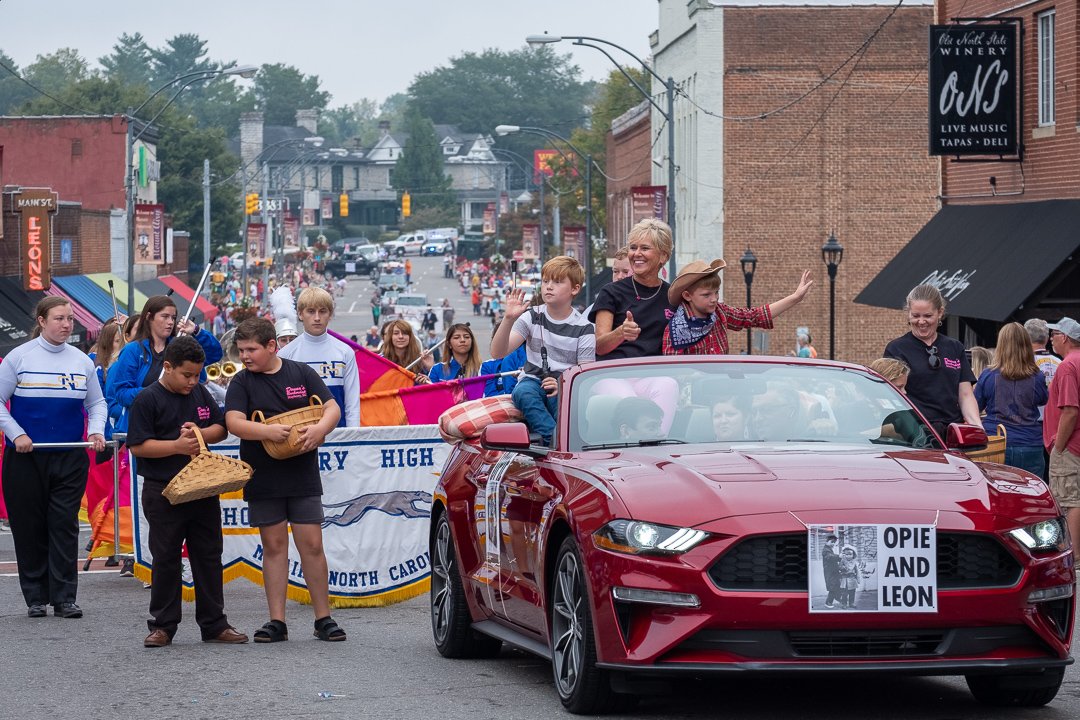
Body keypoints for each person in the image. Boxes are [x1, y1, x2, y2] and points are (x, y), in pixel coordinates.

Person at [224, 318, 346, 643]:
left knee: (313, 545)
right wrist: (266, 431)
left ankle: (324, 618)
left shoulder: (301, 373)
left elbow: (332, 407)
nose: (245, 356)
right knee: (274, 546)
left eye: (252, 349)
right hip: (263, 476)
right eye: (241, 350)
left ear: (272, 346)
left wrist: (321, 429)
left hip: (302, 473)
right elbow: (233, 423)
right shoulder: (241, 382)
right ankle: (276, 620)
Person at [126, 336, 248, 647]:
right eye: (187, 375)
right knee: (166, 557)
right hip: (163, 490)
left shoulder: (201, 392)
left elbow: (221, 427)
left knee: (208, 555)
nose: (193, 381)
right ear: (167, 367)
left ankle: (214, 624)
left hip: (203, 487)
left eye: (197, 375)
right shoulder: (147, 399)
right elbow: (139, 446)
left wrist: (200, 433)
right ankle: (163, 625)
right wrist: (177, 446)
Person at [0, 297, 107, 619]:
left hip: (69, 455)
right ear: (42, 320)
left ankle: (64, 597)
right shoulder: (19, 357)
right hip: (26, 457)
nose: (66, 324)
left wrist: (96, 431)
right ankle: (35, 596)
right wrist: (17, 434)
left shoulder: (81, 361)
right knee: (29, 526)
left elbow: (96, 404)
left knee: (64, 524)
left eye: (71, 318)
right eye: (59, 318)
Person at [490, 256, 595, 445]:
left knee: (563, 404)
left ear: (575, 289)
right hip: (532, 379)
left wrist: (562, 385)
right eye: (546, 281)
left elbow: (585, 373)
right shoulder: (531, 316)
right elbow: (498, 352)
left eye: (557, 281)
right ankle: (552, 441)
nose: (548, 286)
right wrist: (508, 319)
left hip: (566, 384)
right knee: (522, 393)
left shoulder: (584, 327)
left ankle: (564, 441)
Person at [106, 295, 223, 436]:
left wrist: (196, 331)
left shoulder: (179, 345)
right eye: (165, 316)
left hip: (178, 425)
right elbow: (121, 393)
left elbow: (215, 354)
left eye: (173, 318)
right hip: (145, 426)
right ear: (149, 317)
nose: (170, 322)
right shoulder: (133, 350)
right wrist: (155, 394)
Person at [883, 284, 980, 437]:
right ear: (908, 313)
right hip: (915, 434)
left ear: (940, 313)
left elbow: (966, 395)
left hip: (952, 431)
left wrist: (977, 429)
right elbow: (891, 397)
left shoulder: (955, 347)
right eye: (915, 316)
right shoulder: (896, 349)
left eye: (927, 316)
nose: (921, 322)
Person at [662, 259, 812, 355]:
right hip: (694, 395)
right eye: (706, 295)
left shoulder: (720, 312)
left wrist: (795, 297)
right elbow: (675, 373)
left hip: (723, 386)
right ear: (688, 296)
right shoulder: (674, 331)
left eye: (716, 293)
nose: (714, 299)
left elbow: (755, 316)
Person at [277, 288, 361, 427]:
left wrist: (353, 436)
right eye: (310, 311)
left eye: (322, 311)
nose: (317, 318)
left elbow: (352, 404)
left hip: (339, 436)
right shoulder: (285, 355)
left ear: (330, 314)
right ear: (300, 314)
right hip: (300, 437)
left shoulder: (345, 352)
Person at [591, 219, 674, 359]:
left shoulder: (673, 295)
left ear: (663, 256)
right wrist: (621, 333)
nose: (637, 254)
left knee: (667, 382)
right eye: (633, 247)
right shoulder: (610, 292)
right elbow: (599, 347)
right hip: (615, 372)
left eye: (645, 248)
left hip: (658, 373)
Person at [974, 323, 1048, 477]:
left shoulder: (988, 375)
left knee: (997, 495)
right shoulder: (1037, 376)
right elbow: (1042, 400)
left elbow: (975, 407)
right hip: (1030, 443)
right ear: (1026, 345)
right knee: (1031, 496)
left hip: (996, 442)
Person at [1045, 317, 1080, 562]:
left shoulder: (1068, 366)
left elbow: (1070, 410)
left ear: (1064, 338)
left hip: (1070, 446)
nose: (1050, 339)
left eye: (1054, 334)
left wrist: (1059, 446)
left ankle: (1074, 557)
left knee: (1070, 501)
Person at [820, 535, 841, 609]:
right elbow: (830, 557)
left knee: (837, 585)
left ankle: (838, 598)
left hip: (833, 572)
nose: (833, 544)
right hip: (830, 572)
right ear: (826, 541)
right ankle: (828, 602)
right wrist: (839, 557)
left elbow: (833, 557)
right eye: (832, 542)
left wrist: (840, 558)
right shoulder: (825, 550)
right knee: (832, 587)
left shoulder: (828, 549)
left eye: (834, 542)